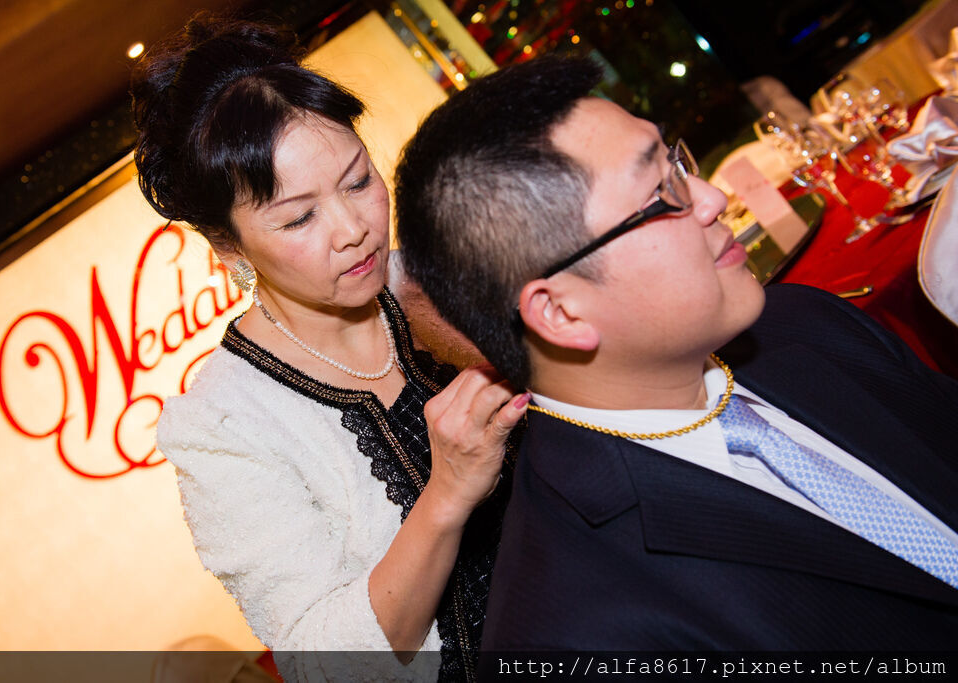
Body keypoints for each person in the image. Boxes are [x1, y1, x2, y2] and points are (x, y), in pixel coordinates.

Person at [394, 56, 958, 657]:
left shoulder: (805, 322)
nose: (712, 198)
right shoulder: (579, 629)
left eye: (677, 164)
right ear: (560, 313)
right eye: (661, 194)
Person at [131, 15, 527, 680]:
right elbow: (325, 663)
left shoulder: (444, 273)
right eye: (299, 217)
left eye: (358, 180)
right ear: (228, 247)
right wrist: (447, 494)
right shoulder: (222, 427)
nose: (353, 229)